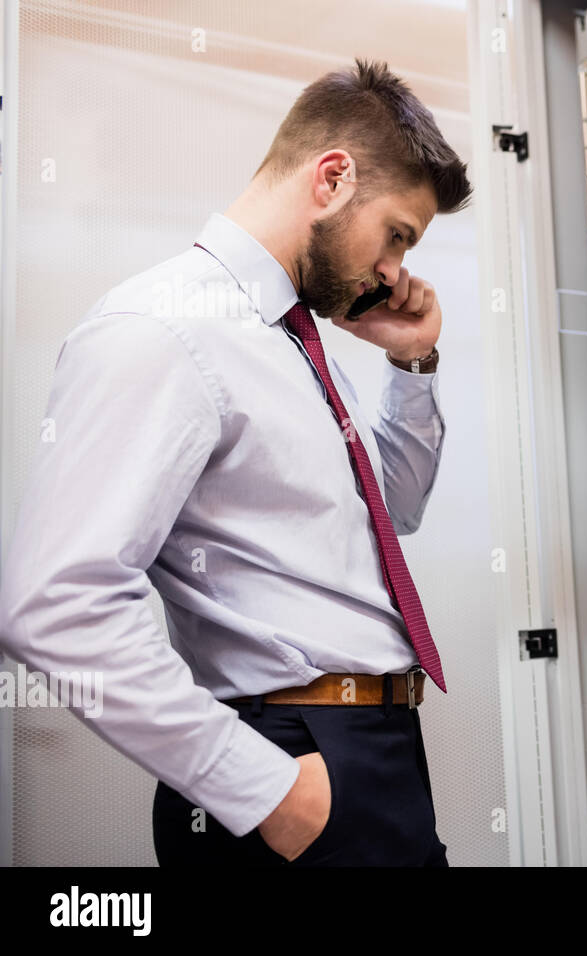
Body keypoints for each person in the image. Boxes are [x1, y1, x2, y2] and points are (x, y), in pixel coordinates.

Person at [0, 57, 472, 866]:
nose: (396, 271)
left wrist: (413, 365)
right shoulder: (167, 327)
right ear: (332, 178)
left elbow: (390, 515)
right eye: (396, 233)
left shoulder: (288, 341)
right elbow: (54, 603)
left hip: (373, 748)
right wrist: (265, 791)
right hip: (293, 759)